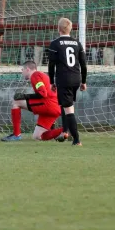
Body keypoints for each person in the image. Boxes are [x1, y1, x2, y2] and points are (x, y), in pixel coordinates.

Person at [1, 61, 67, 142]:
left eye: (22, 70)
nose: (22, 72)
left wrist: (25, 96)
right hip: (55, 107)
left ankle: (16, 134)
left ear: (27, 69)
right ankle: (66, 130)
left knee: (16, 102)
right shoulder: (42, 75)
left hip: (48, 105)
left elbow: (42, 93)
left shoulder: (35, 75)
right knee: (38, 136)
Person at [48, 18, 87, 147]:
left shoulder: (55, 44)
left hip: (64, 79)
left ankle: (76, 140)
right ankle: (65, 132)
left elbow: (51, 65)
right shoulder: (77, 43)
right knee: (67, 106)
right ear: (70, 29)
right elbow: (83, 65)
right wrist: (84, 81)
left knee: (69, 109)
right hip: (76, 79)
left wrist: (51, 81)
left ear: (58, 29)